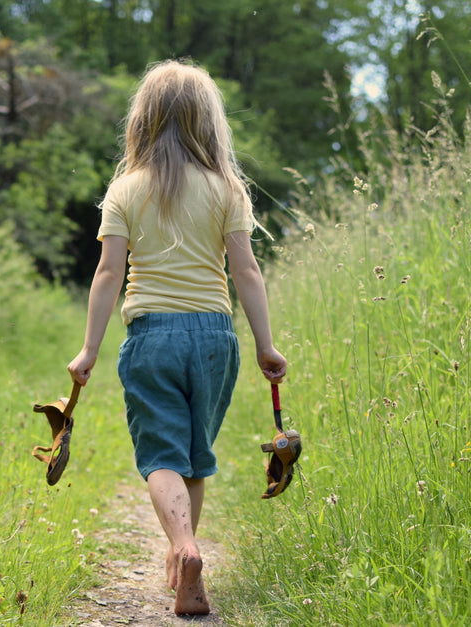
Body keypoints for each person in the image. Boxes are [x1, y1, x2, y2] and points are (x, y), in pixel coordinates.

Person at [67, 59, 287, 617]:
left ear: (142, 120)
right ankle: (184, 554)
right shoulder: (227, 188)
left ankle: (182, 546)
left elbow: (108, 275)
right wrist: (265, 344)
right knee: (194, 453)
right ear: (208, 122)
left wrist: (89, 349)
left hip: (151, 337)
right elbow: (246, 271)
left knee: (161, 453)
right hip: (214, 335)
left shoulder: (126, 189)